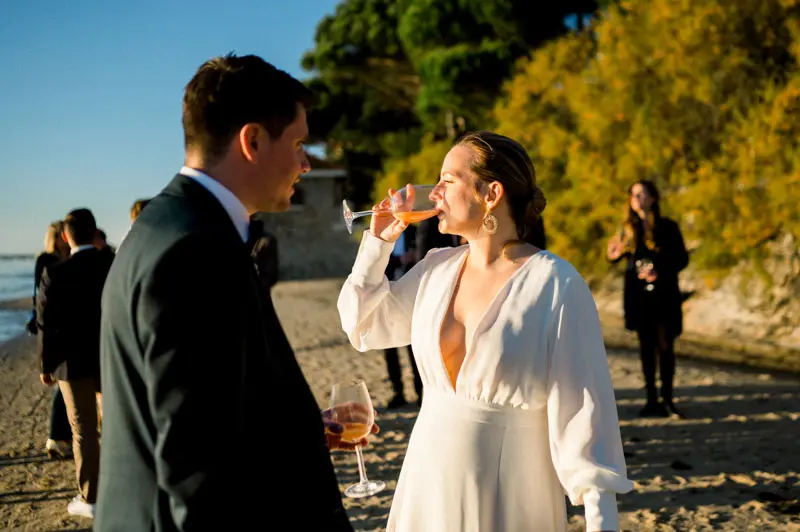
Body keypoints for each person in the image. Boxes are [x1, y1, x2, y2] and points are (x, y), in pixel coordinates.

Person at [96, 53, 359, 531]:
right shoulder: (196, 251)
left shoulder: (161, 225)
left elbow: (207, 411)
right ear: (253, 140)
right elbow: (198, 475)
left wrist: (301, 433)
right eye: (298, 143)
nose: (304, 162)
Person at [338, 131, 632, 532]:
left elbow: (585, 419)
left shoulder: (555, 283)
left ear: (490, 193)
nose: (434, 193)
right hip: (427, 485)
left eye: (448, 180)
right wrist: (377, 242)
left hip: (510, 495)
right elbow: (363, 326)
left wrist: (602, 523)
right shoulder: (436, 269)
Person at [37, 208, 114, 518]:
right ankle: (119, 487)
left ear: (66, 236)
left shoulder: (55, 273)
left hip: (72, 364)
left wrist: (46, 366)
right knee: (115, 424)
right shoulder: (112, 265)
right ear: (95, 233)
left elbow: (46, 324)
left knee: (83, 431)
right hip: (110, 356)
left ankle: (91, 497)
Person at [607, 180, 689, 418]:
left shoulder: (668, 227)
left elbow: (682, 259)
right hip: (638, 296)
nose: (637, 199)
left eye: (642, 194)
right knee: (645, 347)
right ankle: (651, 400)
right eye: (634, 195)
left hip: (665, 294)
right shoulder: (627, 229)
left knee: (665, 346)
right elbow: (612, 255)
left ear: (653, 198)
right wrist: (613, 252)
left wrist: (660, 270)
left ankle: (668, 399)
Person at [28, 221, 72, 458]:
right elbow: (40, 293)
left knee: (64, 383)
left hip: (63, 328)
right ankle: (56, 436)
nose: (63, 238)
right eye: (59, 235)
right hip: (52, 329)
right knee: (59, 383)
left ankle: (61, 435)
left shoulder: (70, 257)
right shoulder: (45, 260)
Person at [383, 226, 423, 409]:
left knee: (414, 348)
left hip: (411, 297)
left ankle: (419, 392)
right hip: (387, 297)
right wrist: (398, 259)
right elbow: (377, 263)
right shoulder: (382, 233)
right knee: (389, 349)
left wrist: (414, 258)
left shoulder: (415, 231)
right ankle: (397, 392)